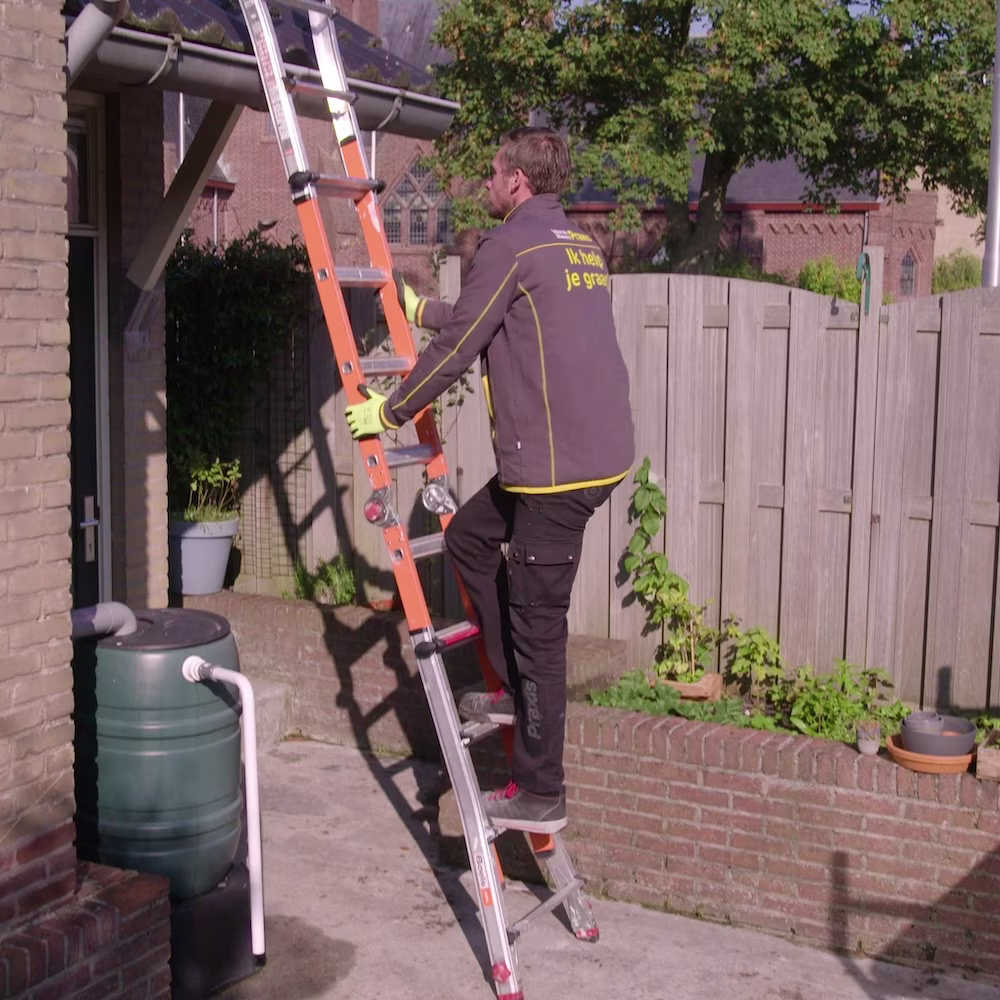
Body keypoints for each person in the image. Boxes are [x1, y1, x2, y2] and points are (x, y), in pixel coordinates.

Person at [345, 127, 634, 834]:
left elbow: (459, 346)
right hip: (584, 461)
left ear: (519, 182)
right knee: (472, 539)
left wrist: (391, 409)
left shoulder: (512, 245)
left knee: (541, 629)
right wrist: (422, 310)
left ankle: (541, 791)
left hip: (554, 479)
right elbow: (490, 312)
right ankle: (508, 690)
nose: (486, 183)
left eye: (493, 173)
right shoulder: (574, 248)